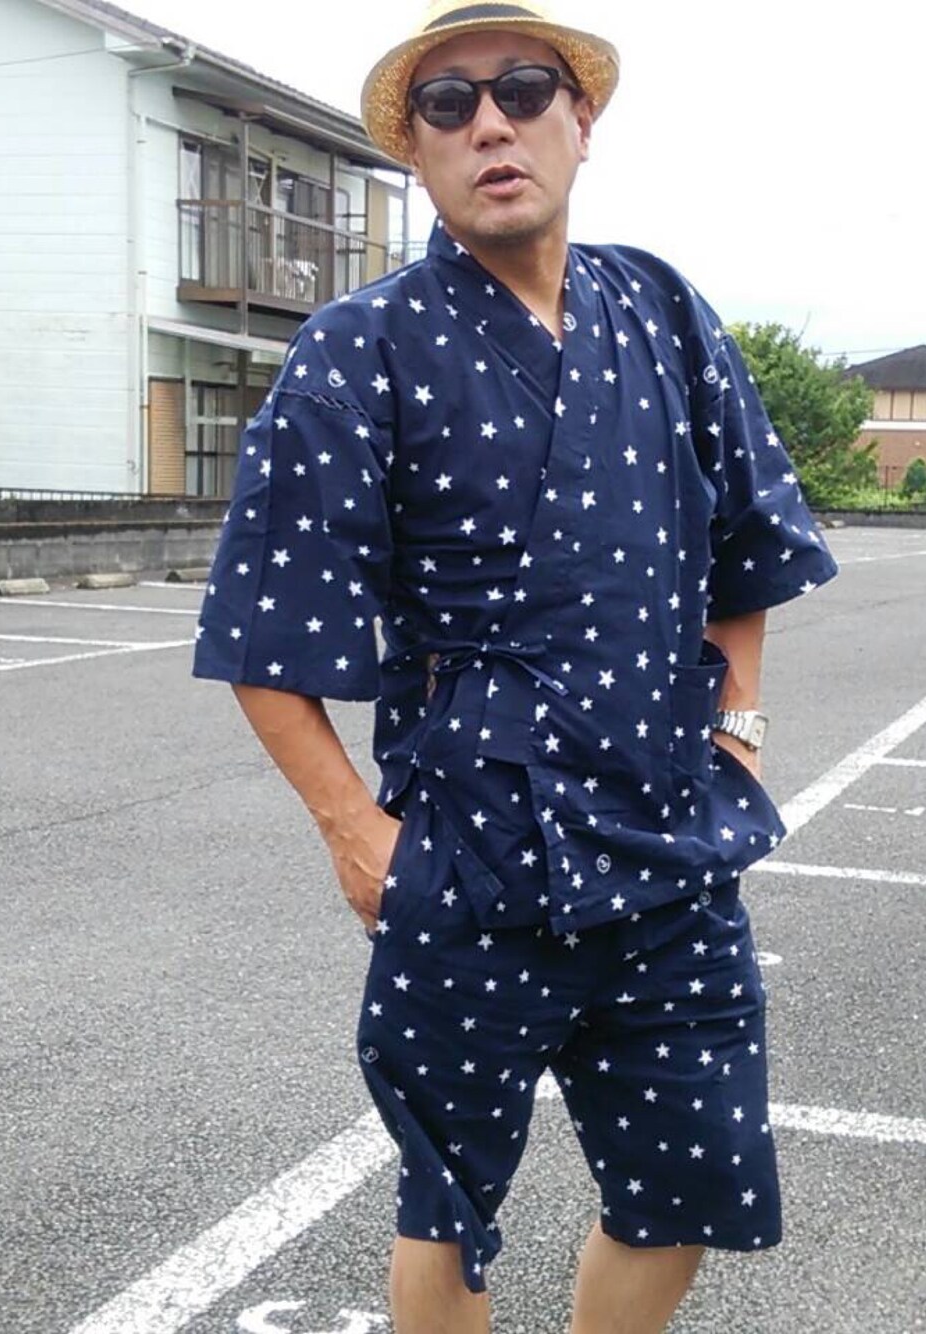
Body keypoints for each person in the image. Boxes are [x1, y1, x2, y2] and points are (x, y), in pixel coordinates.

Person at [193, 2, 839, 1329]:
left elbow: (746, 549)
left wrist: (740, 729)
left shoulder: (659, 308)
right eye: (449, 104)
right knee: (449, 1202)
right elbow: (267, 626)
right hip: (473, 850)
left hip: (669, 834)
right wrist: (357, 834)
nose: (490, 122)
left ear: (580, 123)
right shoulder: (358, 348)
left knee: (694, 1178)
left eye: (525, 90)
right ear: (417, 149)